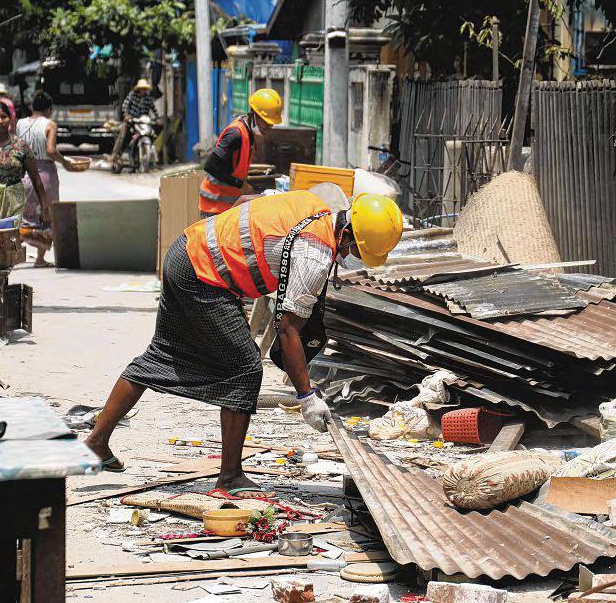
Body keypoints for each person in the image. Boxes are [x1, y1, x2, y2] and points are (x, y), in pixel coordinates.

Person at [84, 190, 404, 497]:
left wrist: (230, 248)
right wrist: (307, 397)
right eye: (354, 250)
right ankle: (230, 476)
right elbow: (289, 331)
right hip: (203, 274)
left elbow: (247, 201)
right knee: (246, 366)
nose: (349, 256)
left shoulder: (312, 203)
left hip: (186, 250)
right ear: (346, 233)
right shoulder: (315, 255)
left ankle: (98, 440)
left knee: (161, 355)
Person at [17, 91, 80, 266]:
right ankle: (39, 258)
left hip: (24, 173)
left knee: (25, 213)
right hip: (45, 174)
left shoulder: (20, 123)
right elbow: (51, 151)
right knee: (46, 213)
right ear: (50, 109)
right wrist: (65, 161)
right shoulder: (50, 124)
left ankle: (15, 251)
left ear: (32, 107)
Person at [199, 88, 283, 217]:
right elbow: (210, 166)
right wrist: (240, 184)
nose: (269, 127)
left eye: (271, 124)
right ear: (254, 114)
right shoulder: (235, 134)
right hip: (214, 206)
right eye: (266, 122)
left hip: (227, 206)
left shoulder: (249, 134)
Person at [110, 78, 157, 164]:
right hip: (131, 120)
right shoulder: (132, 95)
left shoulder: (148, 99)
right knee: (124, 134)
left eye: (144, 89)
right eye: (142, 88)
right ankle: (116, 154)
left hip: (142, 121)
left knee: (152, 134)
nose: (143, 90)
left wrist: (157, 118)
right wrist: (127, 115)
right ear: (139, 89)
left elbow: (154, 110)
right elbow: (124, 105)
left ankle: (150, 158)